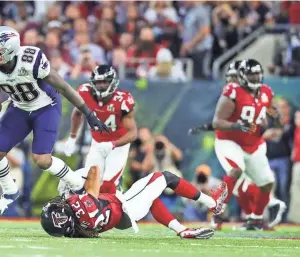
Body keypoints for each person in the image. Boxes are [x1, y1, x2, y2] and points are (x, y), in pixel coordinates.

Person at [0, 26, 109, 216]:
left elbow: (63, 87)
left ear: (10, 51)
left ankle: (77, 184)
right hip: (19, 107)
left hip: (45, 107)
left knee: (42, 159)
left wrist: (89, 113)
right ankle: (9, 191)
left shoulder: (31, 60)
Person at [189, 59, 280, 230]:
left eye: (257, 74)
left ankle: (256, 219)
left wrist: (273, 119)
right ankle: (217, 210)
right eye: (251, 75)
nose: (255, 78)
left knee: (267, 182)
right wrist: (237, 125)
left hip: (253, 144)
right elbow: (218, 121)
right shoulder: (232, 91)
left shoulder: (266, 92)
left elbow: (268, 116)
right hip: (229, 141)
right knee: (236, 172)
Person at [40, 166, 228, 239]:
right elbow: (94, 172)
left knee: (151, 198)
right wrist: (78, 180)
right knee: (166, 177)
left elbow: (98, 198)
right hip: (125, 206)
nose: (62, 202)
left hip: (120, 219)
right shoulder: (82, 206)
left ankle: (182, 230)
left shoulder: (73, 231)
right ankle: (213, 203)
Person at [63, 65, 137, 193]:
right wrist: (72, 138)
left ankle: (119, 206)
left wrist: (112, 144)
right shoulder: (85, 92)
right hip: (97, 143)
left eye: (105, 82)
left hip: (118, 145)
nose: (101, 85)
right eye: (98, 82)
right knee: (90, 183)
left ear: (113, 83)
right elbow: (77, 113)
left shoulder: (122, 99)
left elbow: (133, 133)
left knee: (108, 185)